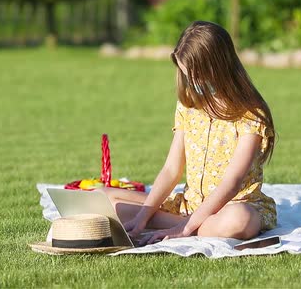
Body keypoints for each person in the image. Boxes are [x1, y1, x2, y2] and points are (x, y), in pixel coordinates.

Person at [101, 21, 277, 246]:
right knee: (106, 197)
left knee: (239, 220)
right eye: (186, 75)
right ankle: (187, 223)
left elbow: (231, 182)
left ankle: (186, 226)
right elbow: (171, 169)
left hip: (235, 206)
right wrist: (141, 218)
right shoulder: (189, 106)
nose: (192, 83)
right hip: (189, 205)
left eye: (196, 75)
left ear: (218, 66)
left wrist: (184, 228)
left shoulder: (250, 113)